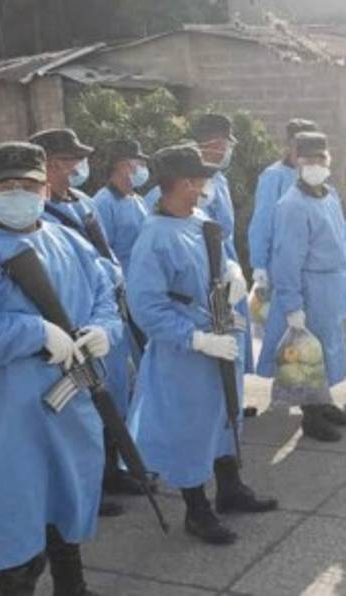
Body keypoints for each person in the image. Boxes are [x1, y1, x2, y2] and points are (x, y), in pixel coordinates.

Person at [0, 141, 120, 594]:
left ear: (46, 190)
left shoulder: (69, 240)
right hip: (5, 414)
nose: (19, 193)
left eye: (29, 184)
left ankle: (72, 586)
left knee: (67, 498)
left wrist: (103, 329)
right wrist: (30, 332)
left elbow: (103, 294)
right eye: (7, 184)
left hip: (70, 403)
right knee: (10, 512)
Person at [126, 144, 277, 547]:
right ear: (184, 183)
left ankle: (230, 488)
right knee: (190, 428)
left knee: (226, 414)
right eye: (201, 179)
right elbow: (146, 306)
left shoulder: (198, 217)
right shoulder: (154, 237)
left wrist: (233, 273)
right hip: (186, 351)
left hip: (222, 334)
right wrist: (196, 339)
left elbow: (218, 259)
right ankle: (197, 509)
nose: (207, 186)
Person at [30, 128, 140, 505]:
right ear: (48, 164)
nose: (77, 167)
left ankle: (110, 470)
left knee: (111, 395)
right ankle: (84, 486)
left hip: (102, 312)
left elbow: (102, 254)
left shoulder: (81, 201)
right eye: (69, 159)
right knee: (80, 408)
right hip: (67, 318)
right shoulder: (37, 212)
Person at [256, 132, 346, 442]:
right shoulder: (292, 205)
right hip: (310, 286)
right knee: (308, 355)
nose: (316, 164)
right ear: (297, 161)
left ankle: (324, 402)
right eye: (309, 159)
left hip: (333, 284)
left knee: (330, 347)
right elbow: (287, 260)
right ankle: (311, 417)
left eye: (321, 158)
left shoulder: (328, 195)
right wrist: (293, 306)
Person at [190, 113, 256, 375]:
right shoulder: (192, 179)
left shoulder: (219, 178)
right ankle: (225, 395)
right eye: (226, 144)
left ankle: (235, 395)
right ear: (215, 143)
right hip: (208, 261)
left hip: (226, 256)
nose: (228, 151)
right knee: (217, 328)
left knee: (234, 327)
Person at [248, 118, 319, 286]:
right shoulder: (274, 176)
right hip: (282, 262)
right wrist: (259, 264)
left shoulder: (315, 176)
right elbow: (262, 222)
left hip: (313, 264)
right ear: (290, 146)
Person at [91, 138, 151, 272]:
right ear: (123, 165)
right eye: (140, 163)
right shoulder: (103, 203)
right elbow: (102, 253)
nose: (143, 168)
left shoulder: (138, 200)